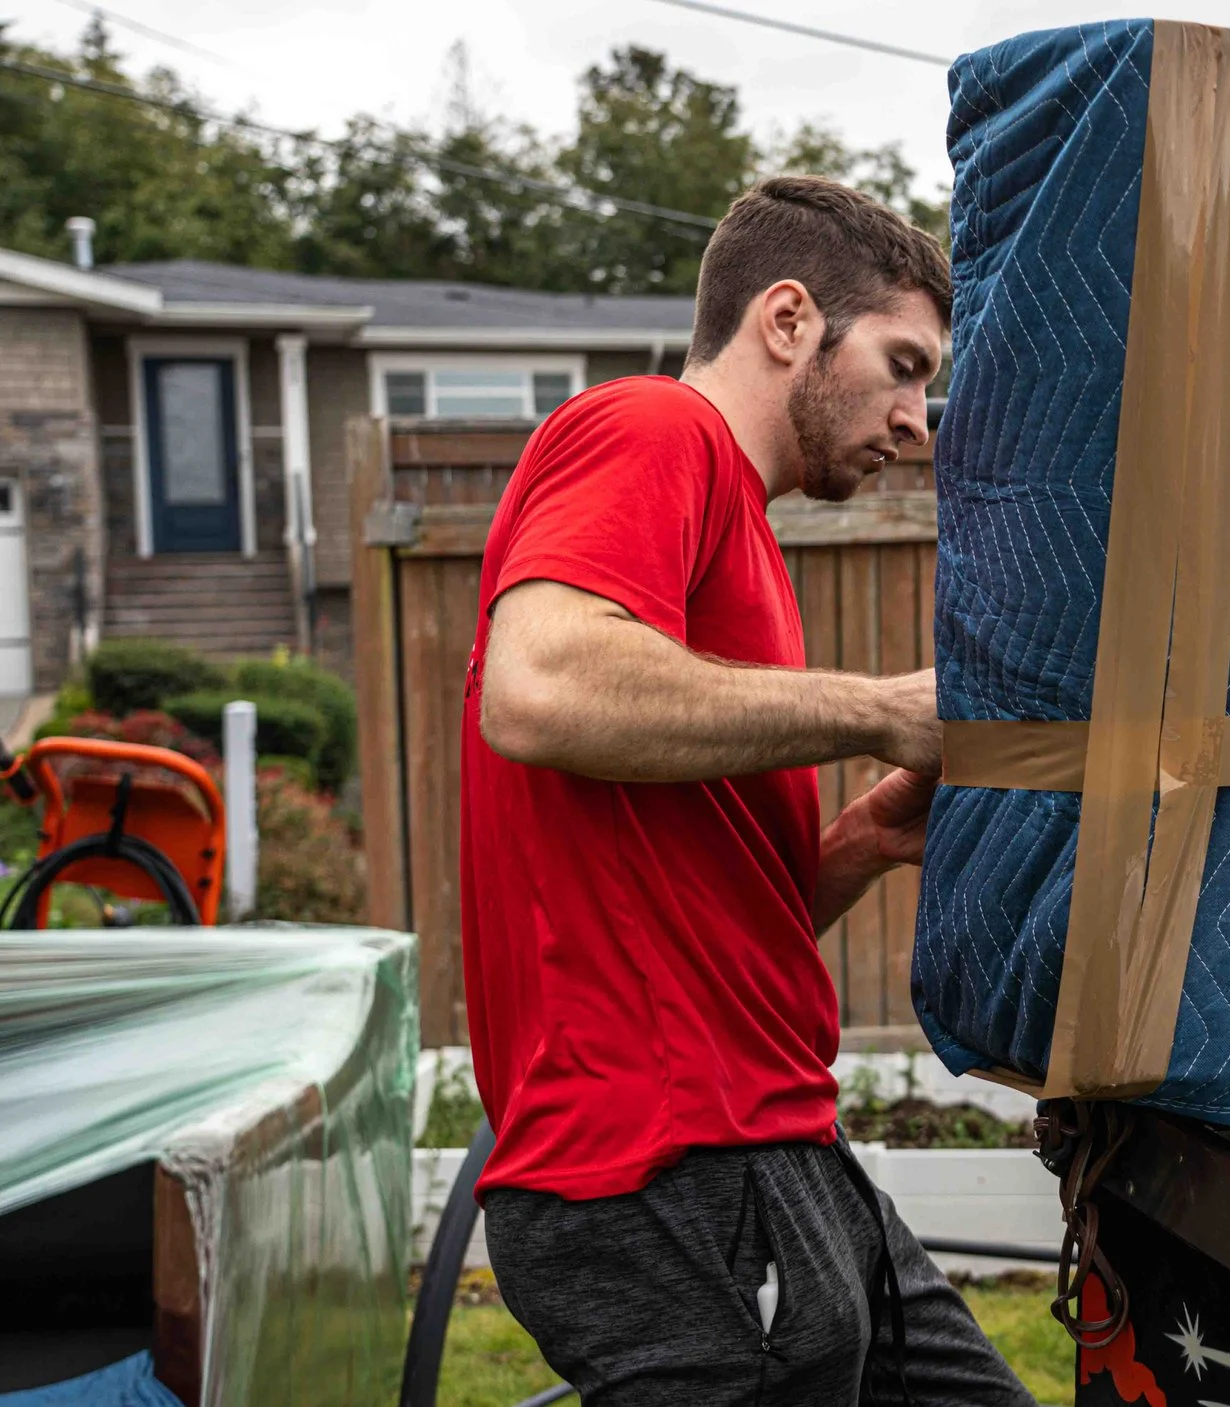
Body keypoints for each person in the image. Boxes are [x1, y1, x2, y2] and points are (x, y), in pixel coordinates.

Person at [460, 175, 1033, 1406]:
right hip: (667, 1163)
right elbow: (539, 688)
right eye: (901, 364)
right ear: (786, 321)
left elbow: (701, 925)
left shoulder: (737, 537)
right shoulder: (650, 429)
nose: (918, 419)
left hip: (775, 1143)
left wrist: (865, 841)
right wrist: (881, 708)